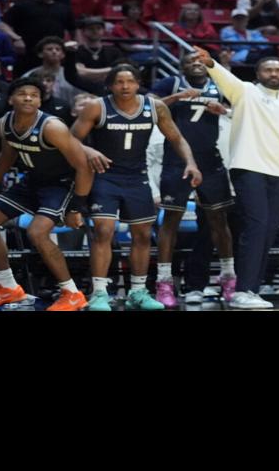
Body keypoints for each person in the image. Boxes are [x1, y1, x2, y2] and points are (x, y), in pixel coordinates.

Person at [191, 47, 279, 308]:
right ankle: (242, 290)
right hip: (248, 168)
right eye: (268, 69)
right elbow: (227, 80)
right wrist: (212, 63)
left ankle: (252, 290)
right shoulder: (246, 92)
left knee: (268, 232)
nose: (274, 73)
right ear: (258, 74)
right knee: (256, 227)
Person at [71, 64, 202, 311]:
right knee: (104, 231)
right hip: (104, 177)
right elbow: (69, 139)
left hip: (137, 178)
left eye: (130, 81)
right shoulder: (97, 106)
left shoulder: (156, 107)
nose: (124, 86)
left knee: (142, 235)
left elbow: (177, 138)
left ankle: (138, 292)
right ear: (110, 85)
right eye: (119, 82)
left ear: (138, 84)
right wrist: (87, 150)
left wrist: (191, 163)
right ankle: (99, 293)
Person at [0, 78, 93, 311]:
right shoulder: (5, 123)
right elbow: (6, 157)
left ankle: (72, 293)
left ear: (39, 100)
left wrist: (76, 208)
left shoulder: (52, 127)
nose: (28, 98)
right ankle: (8, 287)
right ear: (10, 99)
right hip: (32, 182)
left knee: (37, 232)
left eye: (34, 95)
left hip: (61, 184)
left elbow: (84, 167)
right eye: (22, 94)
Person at [150, 53, 235, 306]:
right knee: (170, 222)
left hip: (211, 160)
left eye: (200, 60)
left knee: (219, 221)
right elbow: (148, 106)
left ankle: (228, 277)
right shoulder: (171, 84)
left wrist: (225, 111)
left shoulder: (220, 86)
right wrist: (176, 98)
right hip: (175, 160)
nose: (195, 63)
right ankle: (164, 283)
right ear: (182, 66)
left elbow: (244, 112)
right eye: (189, 60)